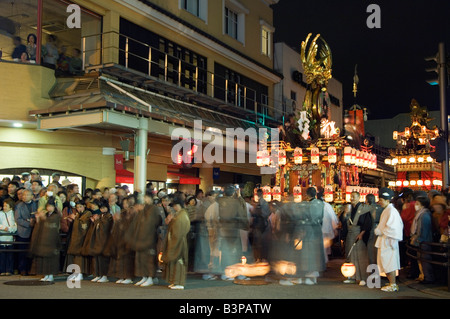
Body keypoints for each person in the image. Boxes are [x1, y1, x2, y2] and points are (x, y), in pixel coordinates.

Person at [126, 193, 162, 287]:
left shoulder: (153, 209)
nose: (145, 199)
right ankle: (144, 277)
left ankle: (150, 277)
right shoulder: (144, 209)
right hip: (141, 238)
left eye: (146, 197)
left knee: (149, 259)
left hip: (149, 238)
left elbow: (152, 222)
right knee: (141, 258)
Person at [292, 187, 326, 285]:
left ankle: (310, 275)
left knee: (309, 252)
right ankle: (315, 275)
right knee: (317, 252)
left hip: (309, 230)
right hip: (318, 229)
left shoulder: (307, 205)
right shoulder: (321, 204)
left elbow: (306, 217)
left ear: (307, 195)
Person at [375, 187, 404, 292]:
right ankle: (392, 282)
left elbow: (394, 228)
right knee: (385, 262)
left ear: (387, 200)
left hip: (389, 241)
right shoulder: (387, 210)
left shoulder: (391, 211)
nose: (380, 202)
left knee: (389, 262)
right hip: (385, 240)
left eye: (381, 200)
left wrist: (380, 231)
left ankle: (393, 284)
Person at [341, 191, 372, 285]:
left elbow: (367, 222)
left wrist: (362, 234)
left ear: (359, 198)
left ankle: (362, 277)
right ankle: (351, 277)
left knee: (360, 256)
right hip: (350, 233)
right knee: (349, 254)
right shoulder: (349, 208)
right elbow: (343, 221)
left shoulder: (363, 208)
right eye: (351, 197)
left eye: (354, 197)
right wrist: (345, 214)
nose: (352, 198)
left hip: (359, 233)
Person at [217, 185, 248, 280]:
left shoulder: (218, 201)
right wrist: (246, 226)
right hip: (233, 229)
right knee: (236, 252)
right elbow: (243, 214)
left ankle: (224, 272)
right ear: (233, 193)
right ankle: (235, 272)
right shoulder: (235, 202)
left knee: (225, 251)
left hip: (222, 229)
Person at [29, 197, 62, 282]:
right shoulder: (46, 215)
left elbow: (52, 225)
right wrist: (39, 219)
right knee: (44, 258)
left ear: (54, 207)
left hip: (52, 240)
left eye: (51, 206)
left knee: (50, 259)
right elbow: (40, 225)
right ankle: (45, 274)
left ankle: (50, 275)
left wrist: (43, 218)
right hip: (44, 239)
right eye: (48, 206)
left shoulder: (56, 216)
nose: (49, 208)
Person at [162, 197, 190, 290]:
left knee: (179, 262)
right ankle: (174, 281)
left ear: (178, 205)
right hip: (175, 240)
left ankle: (179, 282)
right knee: (174, 262)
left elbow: (180, 231)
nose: (173, 208)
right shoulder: (178, 214)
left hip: (179, 241)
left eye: (174, 206)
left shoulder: (182, 215)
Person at [410, 196, 435, 284]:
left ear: (422, 205)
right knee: (421, 259)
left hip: (424, 241)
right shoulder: (420, 213)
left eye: (417, 204)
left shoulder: (424, 215)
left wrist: (419, 239)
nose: (415, 205)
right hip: (420, 240)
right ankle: (423, 276)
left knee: (425, 260)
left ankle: (428, 278)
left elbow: (424, 229)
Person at [65, 200, 92, 281]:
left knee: (80, 256)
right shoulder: (78, 214)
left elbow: (84, 225)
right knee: (74, 255)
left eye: (80, 206)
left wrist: (76, 218)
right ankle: (75, 272)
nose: (79, 209)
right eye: (77, 207)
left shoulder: (87, 213)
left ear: (84, 206)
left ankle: (80, 273)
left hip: (82, 238)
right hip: (75, 237)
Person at [14, 189, 37, 275]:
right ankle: (22, 269)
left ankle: (31, 269)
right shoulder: (19, 206)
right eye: (23, 195)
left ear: (32, 196)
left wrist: (33, 222)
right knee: (22, 252)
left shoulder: (35, 205)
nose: (24, 196)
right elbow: (18, 219)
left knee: (32, 251)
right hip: (23, 231)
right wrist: (28, 223)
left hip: (34, 231)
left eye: (27, 195)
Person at [0, 198, 18, 276]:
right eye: (4, 206)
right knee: (2, 255)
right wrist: (4, 228)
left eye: (6, 206)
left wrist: (10, 229)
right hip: (2, 237)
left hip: (10, 237)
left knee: (10, 255)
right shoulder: (0, 213)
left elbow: (15, 225)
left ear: (11, 207)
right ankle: (2, 270)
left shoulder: (14, 214)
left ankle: (9, 270)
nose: (4, 207)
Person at [366, 193, 384, 266]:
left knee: (371, 251)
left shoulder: (367, 208)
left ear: (367, 200)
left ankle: (373, 269)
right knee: (377, 250)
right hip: (380, 229)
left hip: (371, 229)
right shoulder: (381, 208)